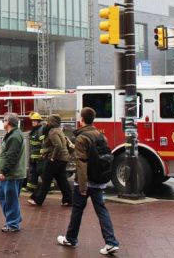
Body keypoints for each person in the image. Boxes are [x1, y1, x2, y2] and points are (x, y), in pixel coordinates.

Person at [58, 107, 120, 255]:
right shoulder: (100, 135)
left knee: (77, 211)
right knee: (101, 210)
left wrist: (82, 185)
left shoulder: (82, 137)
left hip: (85, 181)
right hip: (98, 180)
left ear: (82, 119)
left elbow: (81, 162)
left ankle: (71, 238)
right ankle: (111, 242)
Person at [28, 114, 72, 206]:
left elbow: (58, 145)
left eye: (48, 121)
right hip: (63, 159)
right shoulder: (58, 130)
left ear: (51, 122)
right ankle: (68, 199)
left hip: (56, 160)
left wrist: (52, 157)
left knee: (46, 180)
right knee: (62, 180)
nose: (46, 123)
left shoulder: (52, 132)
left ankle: (37, 199)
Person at [0, 112, 28, 232]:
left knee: (9, 198)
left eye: (4, 120)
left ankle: (13, 224)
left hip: (11, 174)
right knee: (5, 197)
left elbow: (12, 156)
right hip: (12, 174)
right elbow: (11, 152)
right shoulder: (13, 135)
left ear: (8, 122)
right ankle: (14, 219)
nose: (3, 122)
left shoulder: (14, 137)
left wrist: (3, 171)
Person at [24, 112, 44, 193]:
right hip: (34, 156)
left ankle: (49, 188)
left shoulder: (40, 130)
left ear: (39, 122)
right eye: (32, 121)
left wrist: (41, 154)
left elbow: (43, 143)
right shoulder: (35, 130)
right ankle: (30, 188)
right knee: (33, 173)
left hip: (39, 157)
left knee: (43, 172)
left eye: (35, 121)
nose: (33, 122)